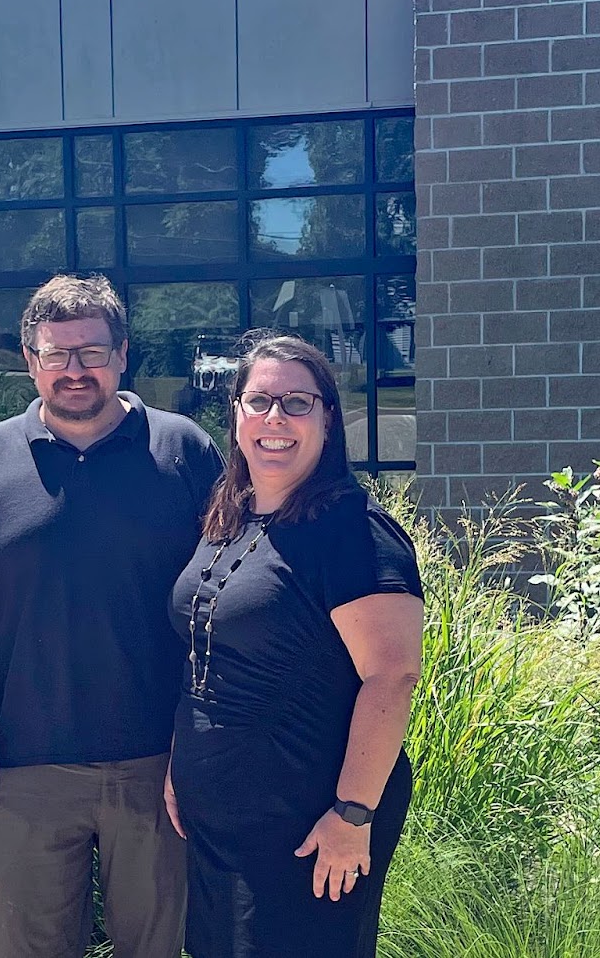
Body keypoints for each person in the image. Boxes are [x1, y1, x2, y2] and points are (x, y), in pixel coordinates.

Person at [0, 274, 223, 958]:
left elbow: (225, 598)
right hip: (25, 768)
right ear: (31, 361)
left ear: (122, 354)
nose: (74, 370)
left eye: (91, 351)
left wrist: (205, 743)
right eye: (56, 354)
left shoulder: (183, 451)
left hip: (158, 764)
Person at [164, 333, 424, 958]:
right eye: (259, 401)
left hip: (310, 825)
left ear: (328, 418)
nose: (274, 418)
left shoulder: (353, 531)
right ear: (237, 414)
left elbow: (391, 676)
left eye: (297, 403)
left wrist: (353, 814)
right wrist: (182, 763)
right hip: (220, 825)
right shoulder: (231, 517)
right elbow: (207, 656)